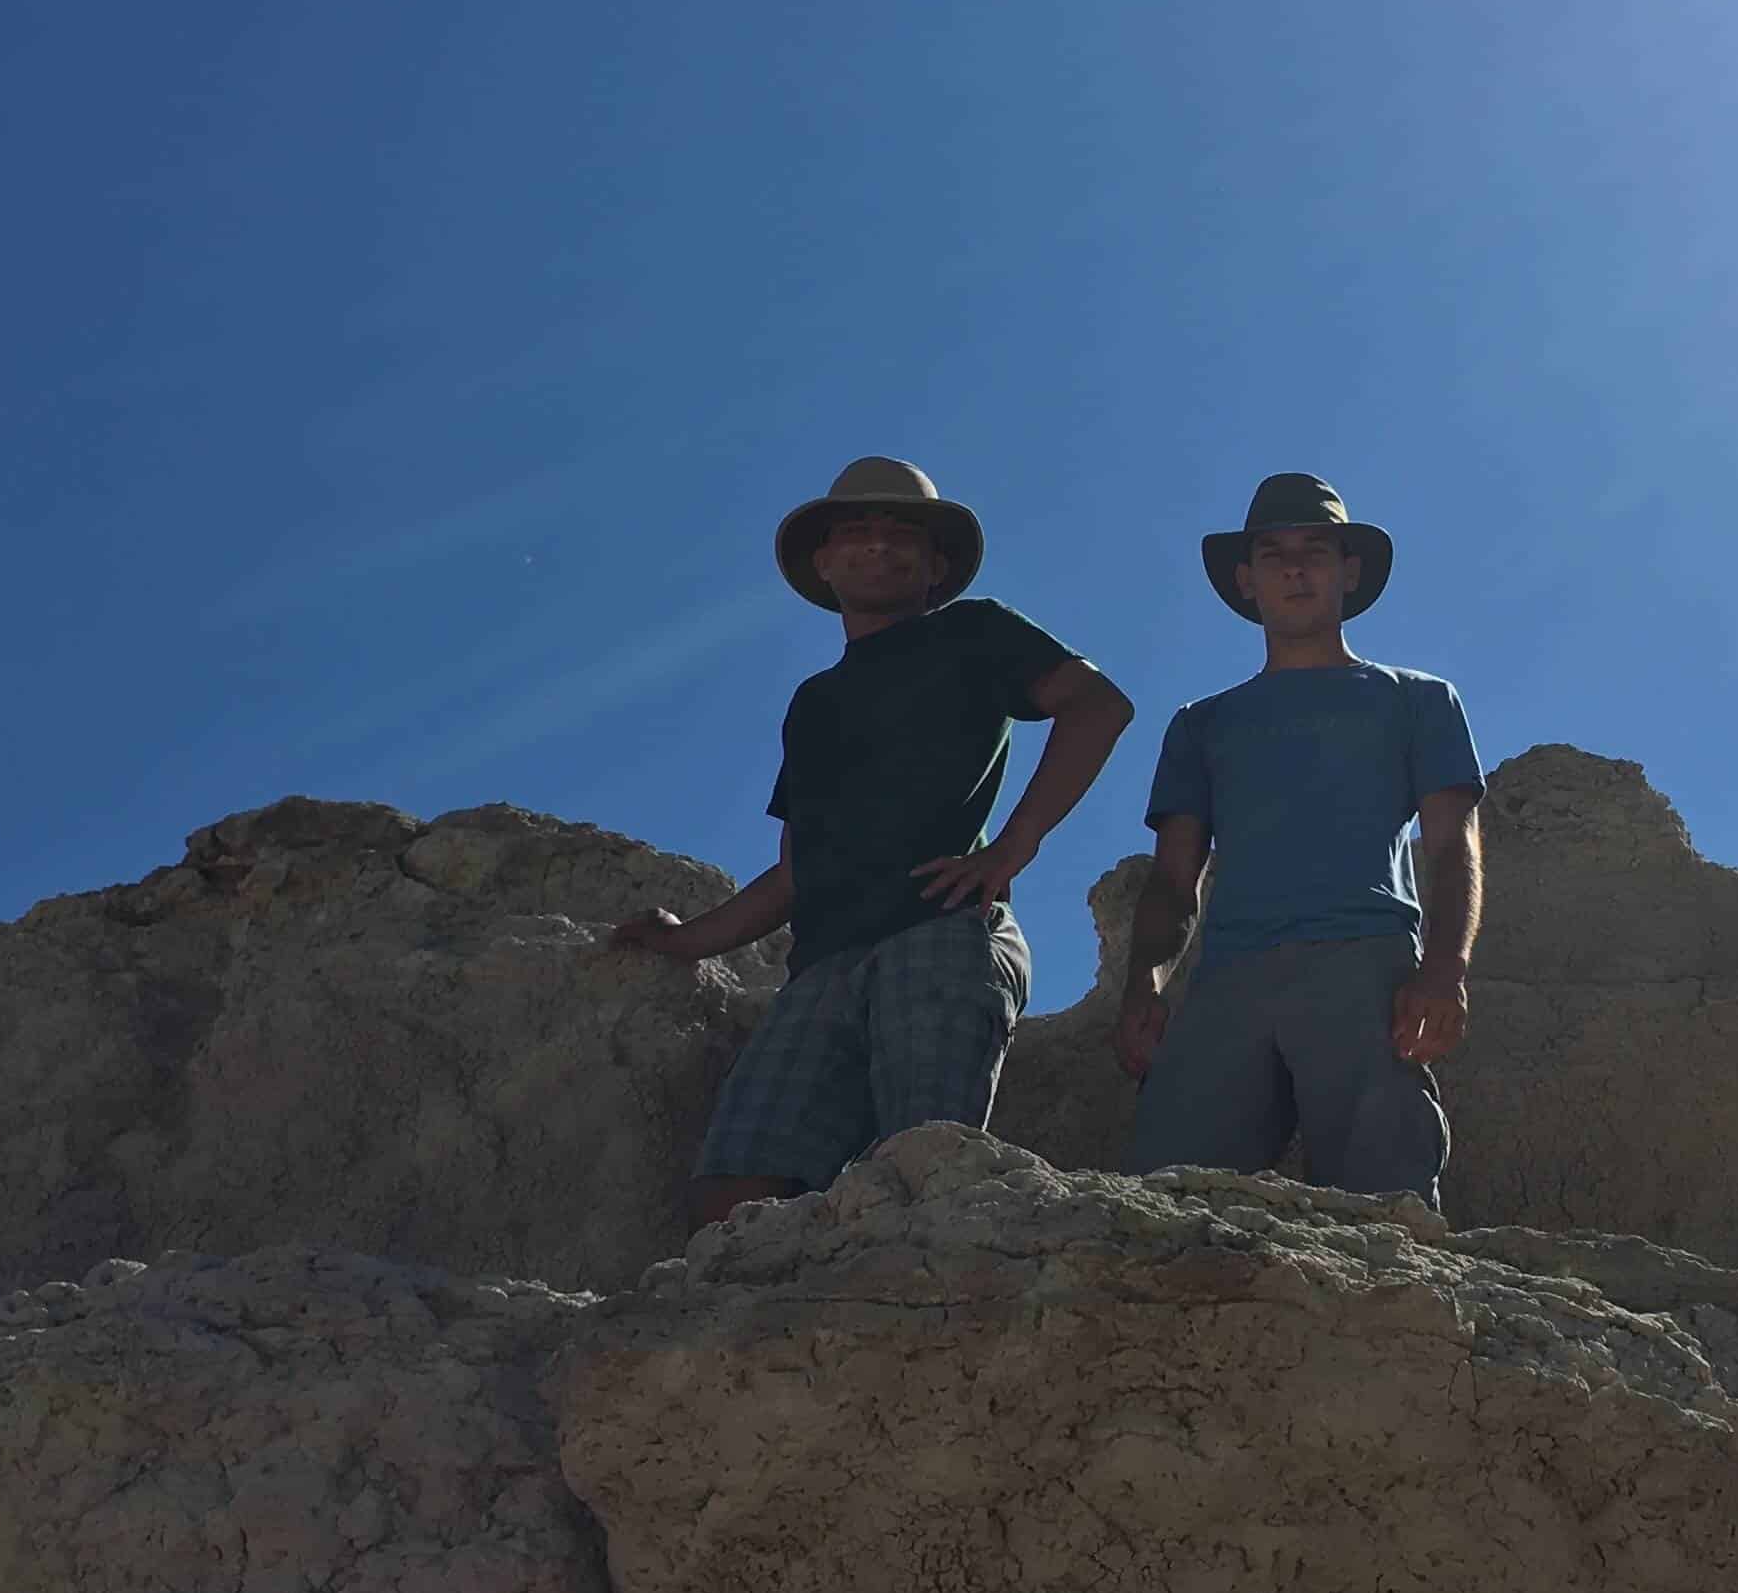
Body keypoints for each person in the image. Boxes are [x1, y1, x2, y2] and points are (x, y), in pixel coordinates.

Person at [612, 455, 1132, 1231]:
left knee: (927, 1169)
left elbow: (1097, 704)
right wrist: (686, 942)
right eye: (858, 532)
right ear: (824, 562)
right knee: (732, 1192)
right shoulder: (814, 701)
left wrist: (1013, 846)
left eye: (903, 536)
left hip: (941, 932)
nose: (879, 547)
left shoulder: (973, 631)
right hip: (821, 964)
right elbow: (795, 870)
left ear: (937, 565)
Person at [1116, 471, 1483, 1207]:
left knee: (1388, 1210)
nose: (1295, 568)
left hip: (1365, 968)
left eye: (1315, 551)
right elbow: (1173, 880)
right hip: (1229, 978)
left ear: (1348, 571)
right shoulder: (1201, 724)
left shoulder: (1417, 700)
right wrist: (1144, 984)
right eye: (1273, 553)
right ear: (1246, 580)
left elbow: (1454, 849)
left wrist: (1444, 968)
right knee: (1162, 1200)